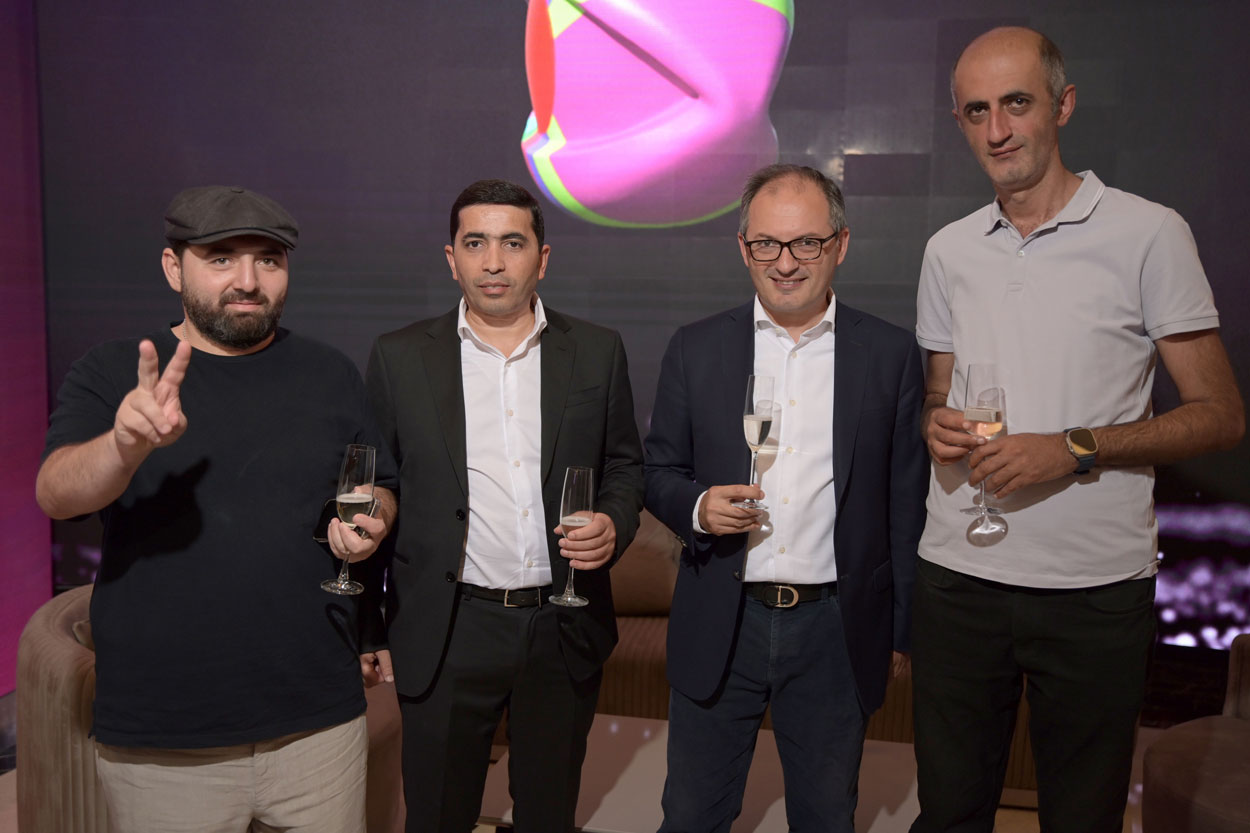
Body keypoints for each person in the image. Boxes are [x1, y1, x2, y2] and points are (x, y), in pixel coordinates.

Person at [910, 27, 1246, 833]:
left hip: (1093, 589)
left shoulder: (1149, 233)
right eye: (977, 111)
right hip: (958, 577)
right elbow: (940, 390)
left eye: (1016, 103)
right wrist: (935, 422)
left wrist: (1073, 448)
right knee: (949, 813)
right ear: (959, 123)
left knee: (1082, 818)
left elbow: (1220, 415)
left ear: (1062, 105)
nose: (998, 130)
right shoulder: (947, 251)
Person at [35, 185, 399, 833]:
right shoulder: (116, 371)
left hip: (319, 726)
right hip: (165, 739)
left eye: (268, 260)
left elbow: (379, 485)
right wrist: (123, 446)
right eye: (222, 258)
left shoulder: (330, 373)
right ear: (173, 267)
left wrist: (374, 517)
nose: (248, 281)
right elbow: (56, 492)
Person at [644, 163, 928, 833]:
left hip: (835, 627)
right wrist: (698, 507)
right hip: (724, 616)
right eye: (767, 243)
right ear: (743, 248)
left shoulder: (889, 354)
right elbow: (657, 470)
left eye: (806, 242)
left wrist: (900, 629)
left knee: (826, 818)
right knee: (690, 817)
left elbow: (906, 501)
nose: (786, 262)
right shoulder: (696, 348)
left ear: (841, 244)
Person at [360, 179, 644, 833]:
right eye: (475, 243)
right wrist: (367, 624)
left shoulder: (597, 349)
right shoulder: (399, 357)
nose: (493, 262)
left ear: (542, 258)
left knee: (548, 816)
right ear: (451, 258)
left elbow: (626, 467)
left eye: (512, 243)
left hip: (562, 623)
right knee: (437, 816)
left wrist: (615, 521)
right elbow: (378, 487)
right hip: (449, 626)